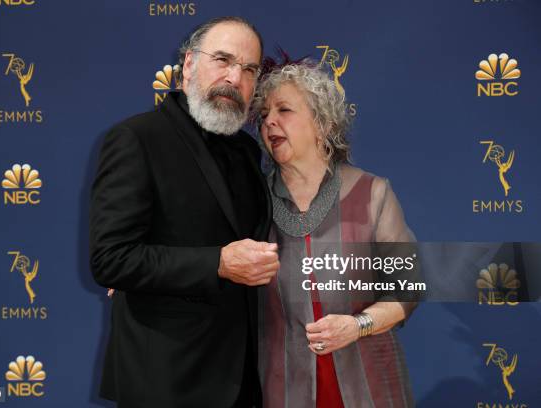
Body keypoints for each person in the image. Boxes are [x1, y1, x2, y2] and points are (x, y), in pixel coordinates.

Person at [89, 17, 279, 407]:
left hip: (242, 380)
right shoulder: (137, 139)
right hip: (168, 381)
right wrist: (217, 263)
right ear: (189, 64)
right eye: (222, 60)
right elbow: (111, 259)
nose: (233, 77)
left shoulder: (247, 153)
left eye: (248, 69)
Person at [254, 60, 417, 407]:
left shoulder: (373, 192)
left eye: (284, 109)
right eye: (264, 114)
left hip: (370, 386)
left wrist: (358, 325)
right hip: (282, 389)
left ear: (322, 125)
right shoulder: (249, 201)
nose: (269, 121)